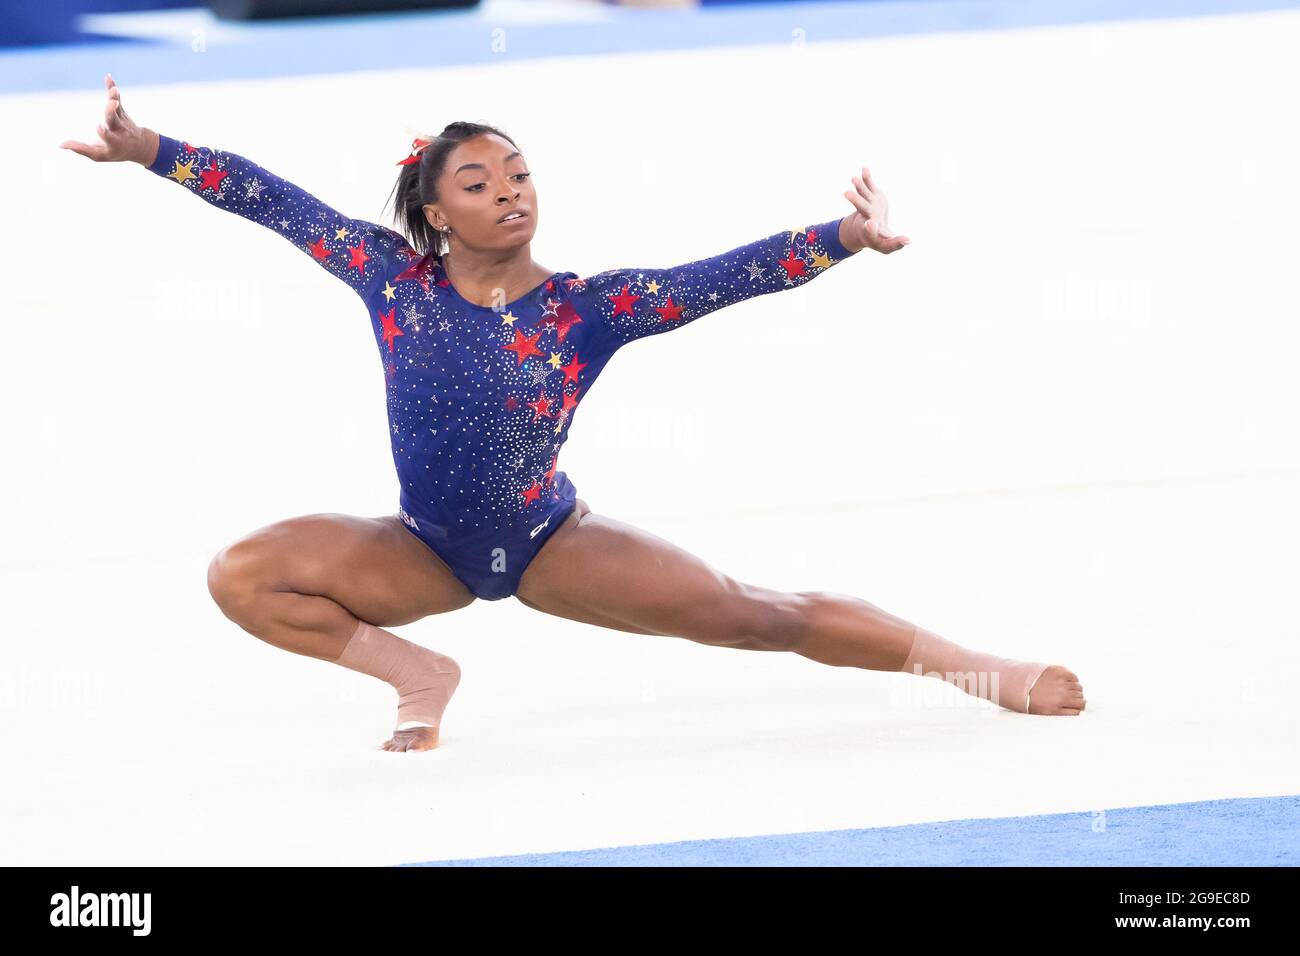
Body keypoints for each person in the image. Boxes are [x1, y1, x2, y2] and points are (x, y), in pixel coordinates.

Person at [61, 73, 1086, 752]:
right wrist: (150, 146)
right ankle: (416, 668)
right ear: (433, 211)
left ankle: (978, 669)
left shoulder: (586, 309)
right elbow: (267, 197)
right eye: (477, 181)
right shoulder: (390, 278)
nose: (508, 192)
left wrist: (841, 237)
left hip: (552, 541)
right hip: (419, 549)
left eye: (518, 173)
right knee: (242, 574)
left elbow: (726, 277)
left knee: (757, 613)